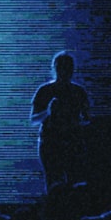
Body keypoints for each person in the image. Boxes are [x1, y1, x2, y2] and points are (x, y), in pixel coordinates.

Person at [30, 51, 90, 190]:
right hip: (51, 144)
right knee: (53, 183)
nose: (64, 71)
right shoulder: (45, 90)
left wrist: (76, 125)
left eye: (67, 67)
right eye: (60, 67)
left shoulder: (78, 92)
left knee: (73, 182)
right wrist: (48, 112)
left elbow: (87, 120)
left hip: (71, 143)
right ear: (54, 68)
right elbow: (33, 119)